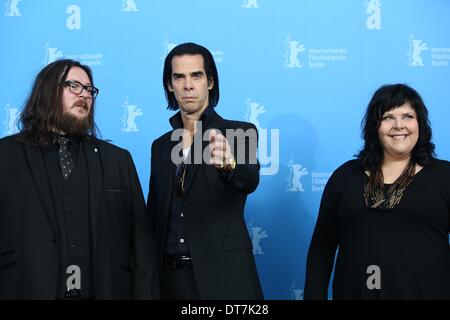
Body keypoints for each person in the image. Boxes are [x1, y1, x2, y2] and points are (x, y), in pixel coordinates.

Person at [0, 59, 159, 299]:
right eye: (73, 86)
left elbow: (142, 249)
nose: (84, 94)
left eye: (89, 89)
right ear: (47, 92)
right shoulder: (6, 155)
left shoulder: (117, 161)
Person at [304, 83, 450, 300]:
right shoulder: (345, 176)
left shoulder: (444, 176)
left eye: (408, 116)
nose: (399, 125)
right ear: (375, 126)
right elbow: (321, 248)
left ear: (420, 124)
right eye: (388, 117)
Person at [147, 42, 263, 299]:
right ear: (169, 84)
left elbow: (249, 179)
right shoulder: (160, 146)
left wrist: (228, 166)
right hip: (167, 281)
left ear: (210, 81)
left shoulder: (240, 132)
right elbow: (153, 214)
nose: (188, 85)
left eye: (196, 75)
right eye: (179, 77)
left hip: (223, 277)